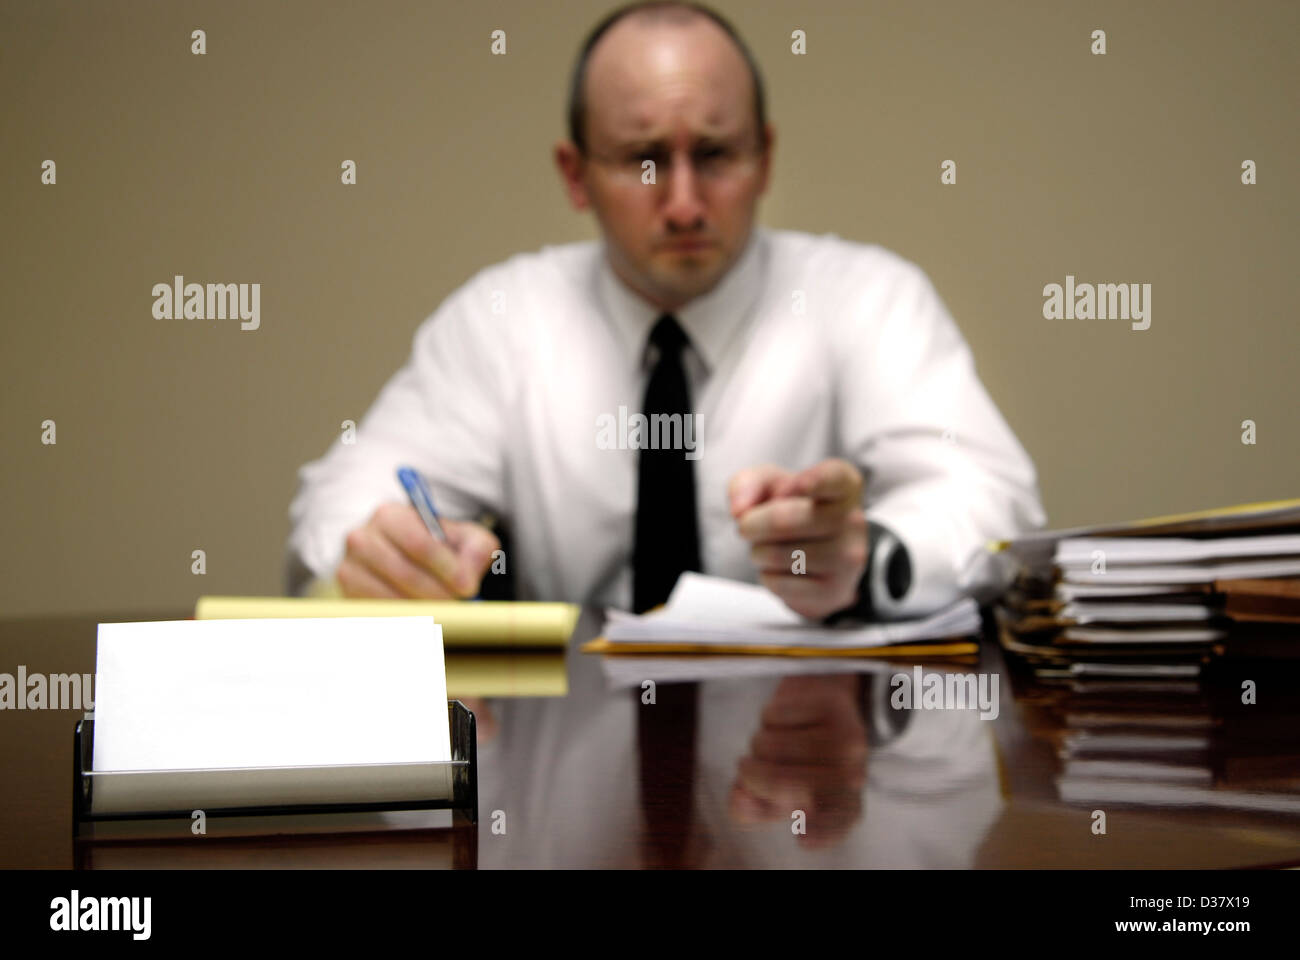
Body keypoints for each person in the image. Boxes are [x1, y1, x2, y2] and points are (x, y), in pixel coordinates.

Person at [285, 0, 1046, 620]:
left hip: (813, 763)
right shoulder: (501, 321)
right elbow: (346, 495)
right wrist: (382, 544)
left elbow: (992, 500)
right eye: (642, 160)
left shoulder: (870, 300)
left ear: (766, 159)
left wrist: (871, 554)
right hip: (566, 762)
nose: (683, 204)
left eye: (715, 155)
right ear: (575, 174)